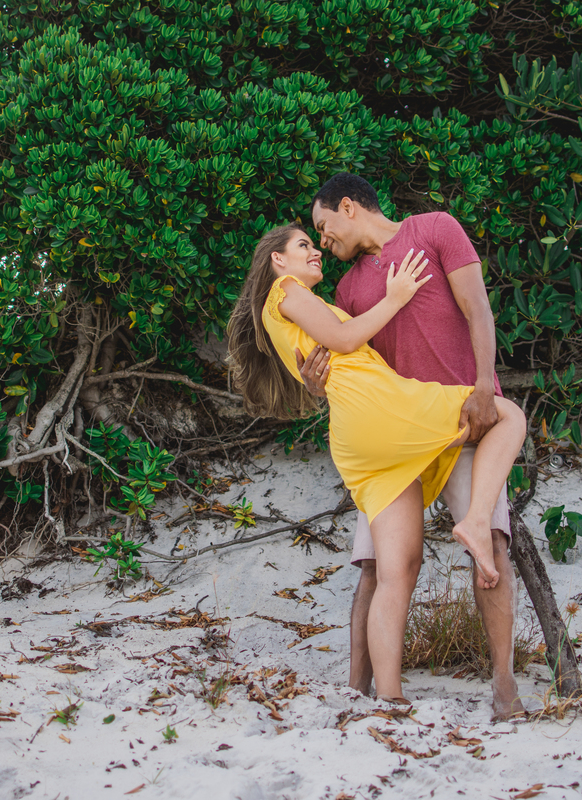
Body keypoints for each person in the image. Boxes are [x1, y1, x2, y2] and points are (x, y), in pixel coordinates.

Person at [226, 222, 527, 704]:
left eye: (317, 238)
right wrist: (397, 296)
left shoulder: (294, 306)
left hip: (358, 441)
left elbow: (331, 353)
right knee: (509, 415)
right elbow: (346, 339)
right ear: (277, 260)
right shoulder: (286, 290)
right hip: (381, 412)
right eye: (305, 243)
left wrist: (315, 379)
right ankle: (474, 521)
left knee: (396, 571)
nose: (317, 249)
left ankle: (389, 697)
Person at [301, 173, 525, 719]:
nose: (323, 241)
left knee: (492, 544)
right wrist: (315, 386)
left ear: (348, 207)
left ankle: (504, 688)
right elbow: (349, 368)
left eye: (324, 227)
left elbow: (478, 309)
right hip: (396, 442)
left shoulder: (435, 229)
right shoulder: (347, 291)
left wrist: (484, 385)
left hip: (462, 421)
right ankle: (358, 690)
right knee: (376, 566)